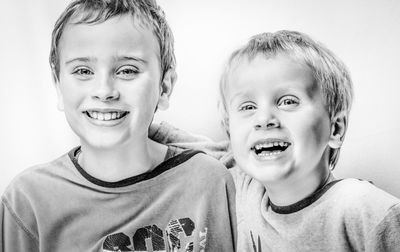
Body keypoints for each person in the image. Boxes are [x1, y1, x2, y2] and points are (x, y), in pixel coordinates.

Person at [0, 0, 237, 251]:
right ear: (58, 86)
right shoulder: (28, 201)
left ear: (164, 87)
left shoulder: (209, 182)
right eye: (82, 70)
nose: (104, 91)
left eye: (127, 70)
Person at [150, 30, 400, 251]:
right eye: (248, 106)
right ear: (230, 132)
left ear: (335, 128)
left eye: (288, 101)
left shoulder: (361, 207)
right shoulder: (243, 186)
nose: (264, 119)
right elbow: (185, 146)